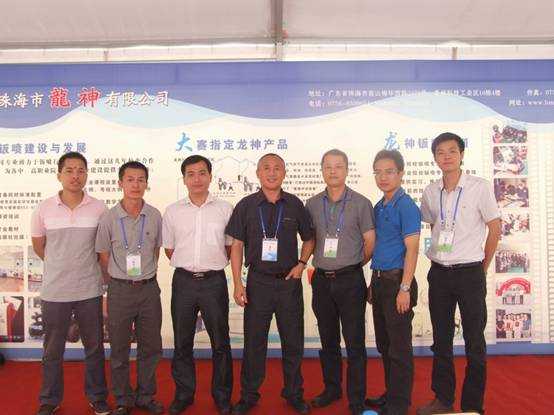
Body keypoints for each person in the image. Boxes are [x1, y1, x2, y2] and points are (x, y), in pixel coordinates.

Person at [417, 132, 501, 415]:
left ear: (461, 154)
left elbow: (495, 228)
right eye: (440, 152)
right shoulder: (430, 191)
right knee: (441, 340)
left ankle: (472, 406)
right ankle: (443, 400)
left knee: (474, 341)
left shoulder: (479, 187)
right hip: (439, 274)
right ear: (435, 158)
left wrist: (482, 267)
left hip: (470, 273)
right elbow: (433, 225)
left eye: (452, 151)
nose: (447, 156)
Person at [225, 153, 314, 415]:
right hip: (258, 283)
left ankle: (294, 393)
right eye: (266, 168)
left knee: (293, 342)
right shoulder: (246, 206)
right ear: (258, 173)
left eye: (277, 168)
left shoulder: (295, 204)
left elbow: (309, 238)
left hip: (288, 283)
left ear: (284, 173)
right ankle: (249, 395)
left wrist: (301, 263)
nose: (272, 173)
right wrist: (238, 283)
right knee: (254, 343)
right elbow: (237, 245)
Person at [31, 152, 110, 415]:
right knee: (52, 350)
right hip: (55, 291)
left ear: (86, 174)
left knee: (94, 348)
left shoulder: (99, 208)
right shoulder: (43, 208)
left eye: (80, 170)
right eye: (69, 170)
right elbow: (40, 247)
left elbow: (102, 249)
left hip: (89, 289)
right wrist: (61, 265)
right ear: (59, 174)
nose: (75, 176)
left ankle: (97, 397)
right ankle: (49, 400)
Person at [305, 149, 375, 415]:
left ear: (347, 169)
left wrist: (352, 264)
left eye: (338, 166)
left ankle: (356, 399)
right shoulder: (312, 204)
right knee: (328, 340)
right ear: (322, 170)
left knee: (355, 342)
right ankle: (332, 389)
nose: (333, 171)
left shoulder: (361, 203)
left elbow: (370, 243)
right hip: (322, 281)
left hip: (350, 280)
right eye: (328, 166)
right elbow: (310, 241)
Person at [162, 155, 234, 415]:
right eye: (190, 174)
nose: (197, 179)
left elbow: (230, 247)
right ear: (184, 179)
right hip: (184, 282)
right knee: (182, 342)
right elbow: (170, 249)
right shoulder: (173, 211)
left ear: (210, 177)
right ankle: (184, 394)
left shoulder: (225, 209)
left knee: (220, 343)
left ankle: (222, 396)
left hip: (214, 282)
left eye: (202, 173)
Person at [95, 161, 164, 415]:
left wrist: (142, 275)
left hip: (148, 290)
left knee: (151, 347)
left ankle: (145, 396)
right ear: (120, 183)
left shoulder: (155, 215)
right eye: (130, 179)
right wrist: (122, 276)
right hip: (120, 291)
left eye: (141, 180)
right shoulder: (108, 218)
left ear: (147, 183)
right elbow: (103, 255)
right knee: (119, 348)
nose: (136, 185)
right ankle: (123, 399)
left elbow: (156, 251)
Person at [365, 150, 420, 415]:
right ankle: (391, 395)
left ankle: (399, 405)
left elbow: (412, 249)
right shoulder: (379, 206)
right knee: (385, 345)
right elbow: (379, 247)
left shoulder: (406, 205)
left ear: (400, 173)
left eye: (389, 172)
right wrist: (372, 282)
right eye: (378, 172)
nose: (383, 177)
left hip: (398, 283)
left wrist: (405, 288)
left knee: (399, 348)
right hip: (379, 282)